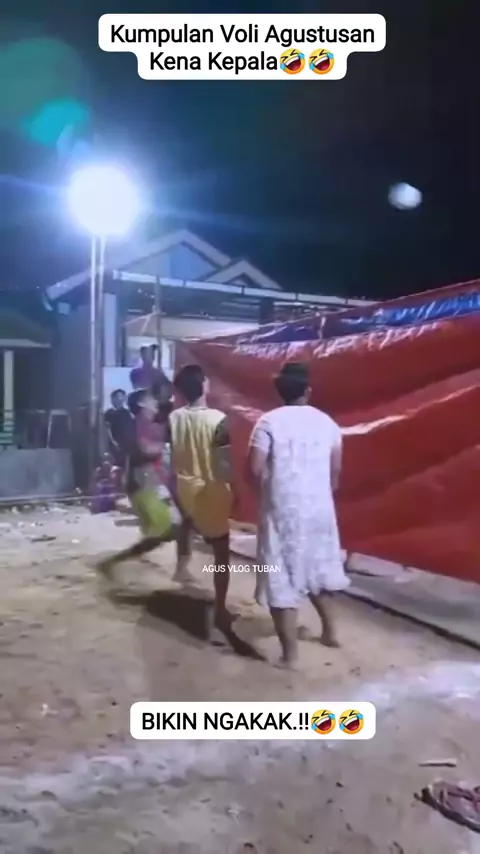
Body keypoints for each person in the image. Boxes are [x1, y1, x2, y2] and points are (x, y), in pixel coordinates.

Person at [246, 361, 349, 668]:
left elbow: (255, 468)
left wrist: (268, 493)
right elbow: (335, 472)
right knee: (317, 570)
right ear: (308, 390)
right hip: (319, 510)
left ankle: (290, 656)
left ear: (280, 391)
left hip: (283, 511)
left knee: (281, 576)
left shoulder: (268, 422)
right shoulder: (328, 423)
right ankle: (330, 632)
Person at [167, 364, 233, 629]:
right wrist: (234, 490)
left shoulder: (174, 418)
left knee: (185, 527)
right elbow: (223, 464)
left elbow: (170, 456)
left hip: (185, 488)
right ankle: (220, 609)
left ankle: (181, 568)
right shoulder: (218, 419)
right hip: (211, 491)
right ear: (204, 384)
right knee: (221, 554)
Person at [97, 388, 179, 578]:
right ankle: (115, 562)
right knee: (166, 531)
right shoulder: (138, 424)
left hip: (146, 481)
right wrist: (165, 447)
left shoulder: (146, 424)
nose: (155, 401)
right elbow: (143, 449)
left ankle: (127, 561)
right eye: (151, 399)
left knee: (163, 530)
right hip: (142, 482)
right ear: (141, 404)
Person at [104, 389, 134, 469]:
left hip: (126, 446)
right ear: (112, 399)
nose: (120, 399)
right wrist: (113, 442)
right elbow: (107, 428)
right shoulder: (109, 413)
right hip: (112, 446)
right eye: (117, 397)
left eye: (122, 397)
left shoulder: (127, 413)